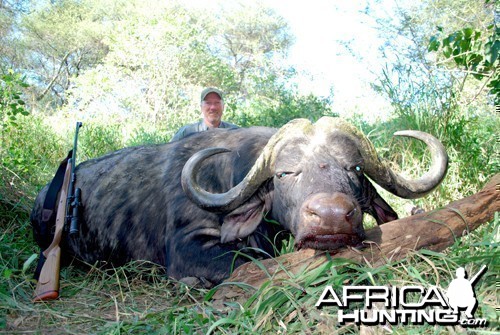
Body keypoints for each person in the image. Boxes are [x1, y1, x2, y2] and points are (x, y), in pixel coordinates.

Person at [170, 87, 239, 142]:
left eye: (217, 103)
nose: (213, 107)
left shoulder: (236, 133)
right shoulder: (185, 132)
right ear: (201, 107)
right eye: (208, 103)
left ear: (223, 107)